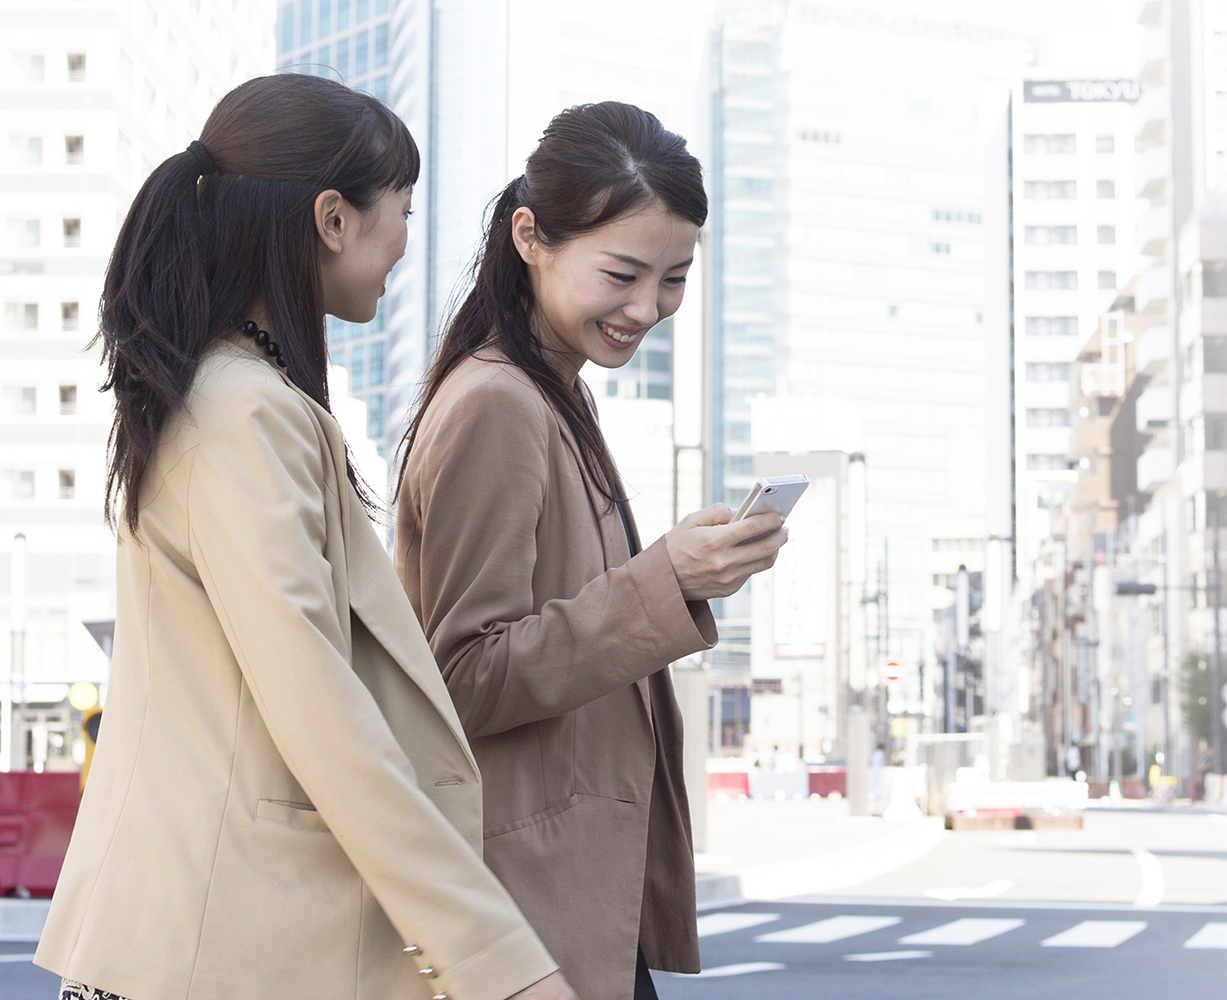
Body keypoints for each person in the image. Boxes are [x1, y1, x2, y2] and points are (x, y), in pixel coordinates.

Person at [35, 75, 573, 1000]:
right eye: (400, 209)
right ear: (332, 218)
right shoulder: (244, 413)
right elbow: (321, 711)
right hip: (222, 949)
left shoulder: (218, 392)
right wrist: (499, 966)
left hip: (199, 937)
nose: (406, 243)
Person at [395, 102, 788, 1000]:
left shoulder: (552, 395)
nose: (647, 309)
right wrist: (667, 581)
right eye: (622, 273)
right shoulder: (498, 403)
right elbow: (459, 675)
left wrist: (674, 580)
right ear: (528, 236)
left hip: (560, 891)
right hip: (523, 904)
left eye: (675, 279)